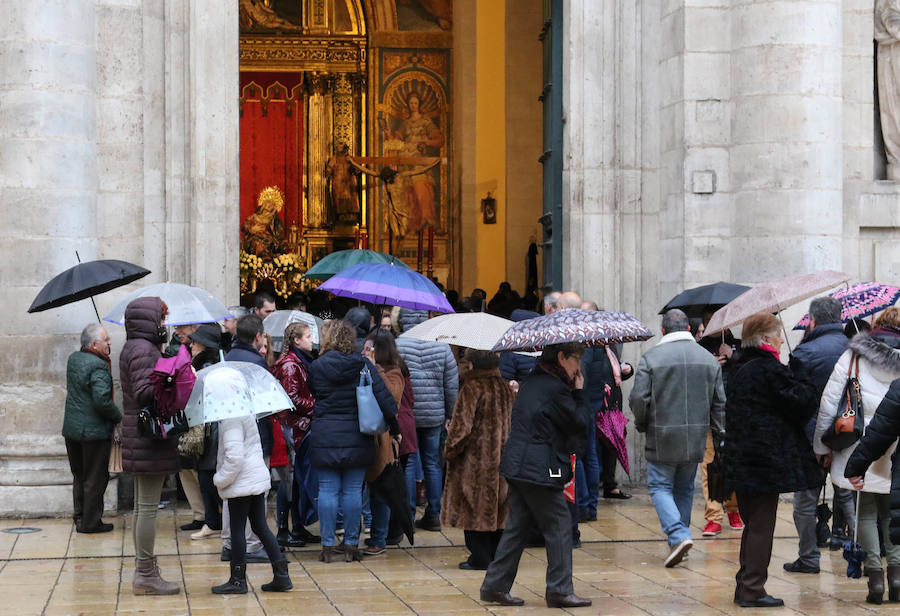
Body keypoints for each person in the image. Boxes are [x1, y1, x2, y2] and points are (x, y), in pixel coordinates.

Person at [479, 342, 592, 609]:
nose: (579, 367)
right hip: (538, 467)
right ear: (562, 357)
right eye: (576, 359)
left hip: (519, 464)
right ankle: (559, 590)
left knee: (517, 527)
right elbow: (579, 421)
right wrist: (579, 393)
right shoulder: (555, 388)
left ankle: (494, 586)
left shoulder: (534, 380)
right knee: (560, 525)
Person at [725, 312, 820, 609]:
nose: (781, 339)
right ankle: (753, 589)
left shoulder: (740, 366)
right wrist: (801, 372)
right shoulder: (768, 369)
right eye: (777, 334)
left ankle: (745, 585)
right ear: (765, 339)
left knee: (753, 524)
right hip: (763, 461)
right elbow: (802, 403)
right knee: (762, 527)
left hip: (742, 459)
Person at [629, 309, 725, 568]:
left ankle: (678, 535)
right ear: (690, 330)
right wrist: (719, 435)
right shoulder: (708, 359)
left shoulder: (651, 358)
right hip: (695, 436)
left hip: (662, 434)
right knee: (683, 488)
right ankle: (678, 541)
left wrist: (641, 422)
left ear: (662, 330)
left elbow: (638, 398)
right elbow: (719, 403)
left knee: (660, 486)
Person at [819, 309, 900, 603]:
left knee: (865, 509)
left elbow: (829, 404)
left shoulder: (854, 355)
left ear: (877, 326)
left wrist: (821, 447)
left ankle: (875, 577)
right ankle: (897, 573)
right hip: (896, 445)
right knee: (893, 509)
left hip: (860, 444)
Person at [307, 320, 401, 562]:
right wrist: (395, 428)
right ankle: (350, 545)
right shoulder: (362, 364)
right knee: (351, 492)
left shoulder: (317, 366)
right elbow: (384, 399)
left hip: (325, 433)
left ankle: (327, 546)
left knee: (327, 491)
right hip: (356, 434)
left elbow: (314, 392)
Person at [119, 297, 180, 595]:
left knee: (142, 507)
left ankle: (144, 571)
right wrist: (171, 373)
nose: (164, 324)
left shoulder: (137, 347)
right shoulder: (143, 349)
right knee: (147, 507)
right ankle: (145, 574)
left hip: (139, 435)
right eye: (162, 318)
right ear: (150, 320)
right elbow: (145, 392)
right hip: (148, 437)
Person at [786, 296, 849, 574]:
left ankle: (809, 558)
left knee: (805, 501)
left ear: (812, 320)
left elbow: (793, 401)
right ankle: (869, 555)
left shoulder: (805, 352)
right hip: (850, 434)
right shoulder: (856, 347)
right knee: (849, 496)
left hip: (810, 438)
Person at [211, 395, 293, 594]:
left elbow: (234, 456)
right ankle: (282, 575)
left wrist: (220, 479)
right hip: (254, 476)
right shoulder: (244, 409)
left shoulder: (231, 417)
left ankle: (237, 581)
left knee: (238, 529)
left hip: (241, 481)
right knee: (260, 526)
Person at [442, 349, 515, 570]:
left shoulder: (471, 388)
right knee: (498, 509)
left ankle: (480, 557)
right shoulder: (505, 387)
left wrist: (449, 449)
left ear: (472, 365)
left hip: (475, 461)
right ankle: (495, 556)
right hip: (502, 459)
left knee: (473, 508)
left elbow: (461, 429)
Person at [396, 308, 459, 531]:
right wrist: (451, 413)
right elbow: (451, 384)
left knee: (409, 463)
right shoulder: (441, 345)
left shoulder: (398, 345)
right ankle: (434, 514)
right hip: (434, 413)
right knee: (432, 462)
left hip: (407, 413)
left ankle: (408, 515)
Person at [221, 314, 273, 563]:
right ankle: (251, 546)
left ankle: (229, 542)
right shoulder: (256, 362)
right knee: (255, 493)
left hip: (230, 429)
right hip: (254, 433)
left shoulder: (228, 359)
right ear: (257, 336)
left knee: (232, 493)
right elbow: (264, 401)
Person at [576, 300, 633, 521]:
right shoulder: (596, 343)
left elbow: (588, 375)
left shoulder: (591, 344)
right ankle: (590, 503)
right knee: (591, 454)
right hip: (597, 402)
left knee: (587, 455)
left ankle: (587, 505)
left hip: (593, 403)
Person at [63, 323, 122, 534]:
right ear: (94, 344)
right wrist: (117, 417)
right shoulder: (98, 365)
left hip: (72, 430)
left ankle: (80, 516)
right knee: (95, 478)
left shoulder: (74, 359)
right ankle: (91, 523)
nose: (110, 343)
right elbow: (101, 400)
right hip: (94, 432)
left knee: (79, 475)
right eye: (106, 340)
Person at [362, 330, 417, 555]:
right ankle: (382, 534)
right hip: (372, 437)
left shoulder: (395, 371)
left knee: (384, 488)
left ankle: (381, 538)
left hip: (390, 439)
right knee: (376, 488)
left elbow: (391, 395)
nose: (364, 352)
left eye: (368, 348)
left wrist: (374, 369)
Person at [272, 322, 316, 548]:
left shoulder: (300, 361)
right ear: (297, 340)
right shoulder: (290, 364)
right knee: (288, 481)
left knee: (296, 480)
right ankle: (283, 529)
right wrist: (316, 405)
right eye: (308, 336)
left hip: (298, 426)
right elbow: (292, 398)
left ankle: (297, 527)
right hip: (292, 427)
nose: (312, 340)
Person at [186, 324, 224, 540]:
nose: (191, 345)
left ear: (205, 345)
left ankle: (215, 520)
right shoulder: (200, 364)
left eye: (195, 342)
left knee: (207, 477)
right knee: (204, 475)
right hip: (205, 429)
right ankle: (212, 521)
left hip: (211, 429)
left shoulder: (209, 366)